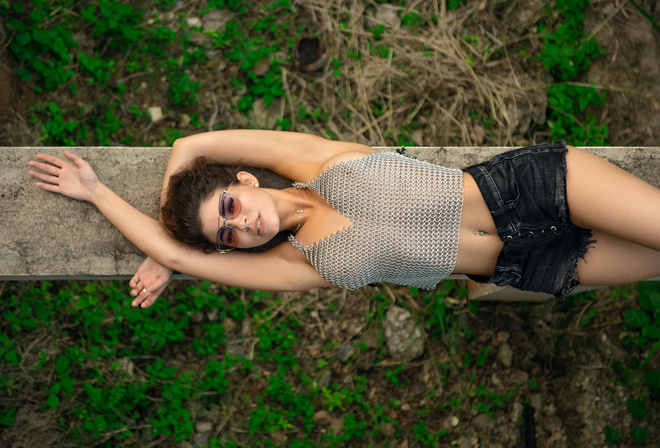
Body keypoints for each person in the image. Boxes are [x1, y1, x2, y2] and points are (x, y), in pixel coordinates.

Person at [27, 130, 660, 308]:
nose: (240, 223)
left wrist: (169, 231)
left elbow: (189, 146)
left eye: (229, 205)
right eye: (227, 233)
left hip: (535, 191)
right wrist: (99, 196)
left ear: (243, 179)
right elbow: (192, 259)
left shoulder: (314, 160)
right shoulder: (297, 266)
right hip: (528, 263)